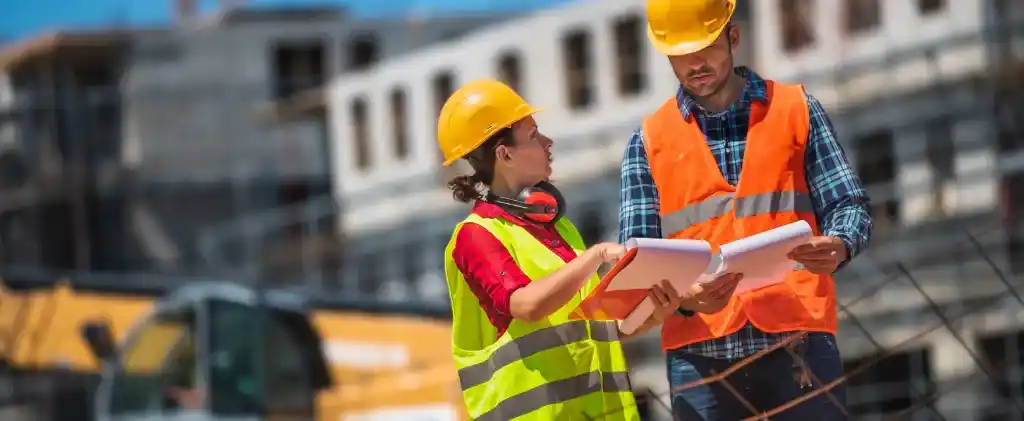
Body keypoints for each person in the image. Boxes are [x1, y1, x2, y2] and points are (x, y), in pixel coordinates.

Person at [619, 1, 873, 420]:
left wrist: (840, 244)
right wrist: (684, 297)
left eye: (705, 48)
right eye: (680, 54)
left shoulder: (796, 109)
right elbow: (637, 266)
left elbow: (847, 204)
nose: (694, 64)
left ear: (733, 37)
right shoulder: (647, 142)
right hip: (700, 359)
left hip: (798, 341)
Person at [440, 79, 718, 420]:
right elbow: (527, 305)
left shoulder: (557, 227)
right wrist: (596, 255)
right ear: (505, 154)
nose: (548, 142)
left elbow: (588, 331)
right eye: (534, 135)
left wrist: (646, 316)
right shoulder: (476, 236)